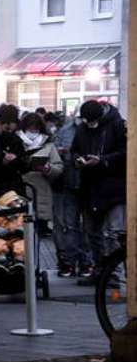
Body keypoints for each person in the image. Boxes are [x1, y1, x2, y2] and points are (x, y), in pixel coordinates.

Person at [71, 100, 127, 286]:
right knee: (92, 232)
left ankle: (114, 273)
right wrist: (77, 159)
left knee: (113, 232)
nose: (89, 124)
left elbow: (126, 152)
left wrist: (103, 160)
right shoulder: (82, 128)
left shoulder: (118, 125)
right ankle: (100, 269)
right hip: (90, 187)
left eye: (92, 121)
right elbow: (75, 149)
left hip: (114, 188)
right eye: (86, 121)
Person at [51, 113, 93, 278]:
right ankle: (71, 261)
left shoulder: (67, 130)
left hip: (87, 184)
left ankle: (83, 262)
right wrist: (61, 153)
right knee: (69, 225)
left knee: (84, 227)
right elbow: (55, 153)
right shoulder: (65, 130)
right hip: (69, 183)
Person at [17, 112, 63, 232]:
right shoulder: (16, 142)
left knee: (38, 233)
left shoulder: (48, 145)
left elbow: (58, 167)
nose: (32, 131)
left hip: (41, 192)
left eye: (36, 128)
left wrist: (48, 169)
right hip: (20, 190)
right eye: (30, 128)